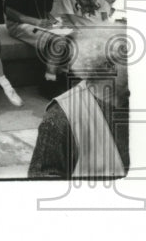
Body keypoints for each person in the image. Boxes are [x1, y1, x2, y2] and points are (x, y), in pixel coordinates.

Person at [28, 23, 129, 178]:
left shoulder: (142, 101)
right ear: (108, 67)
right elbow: (43, 183)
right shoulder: (61, 116)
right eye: (129, 59)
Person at [4, 0, 67, 82]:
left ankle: (61, 73)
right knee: (55, 41)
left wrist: (55, 23)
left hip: (38, 23)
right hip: (17, 24)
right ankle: (49, 81)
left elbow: (46, 12)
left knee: (70, 36)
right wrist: (35, 21)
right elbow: (9, 12)